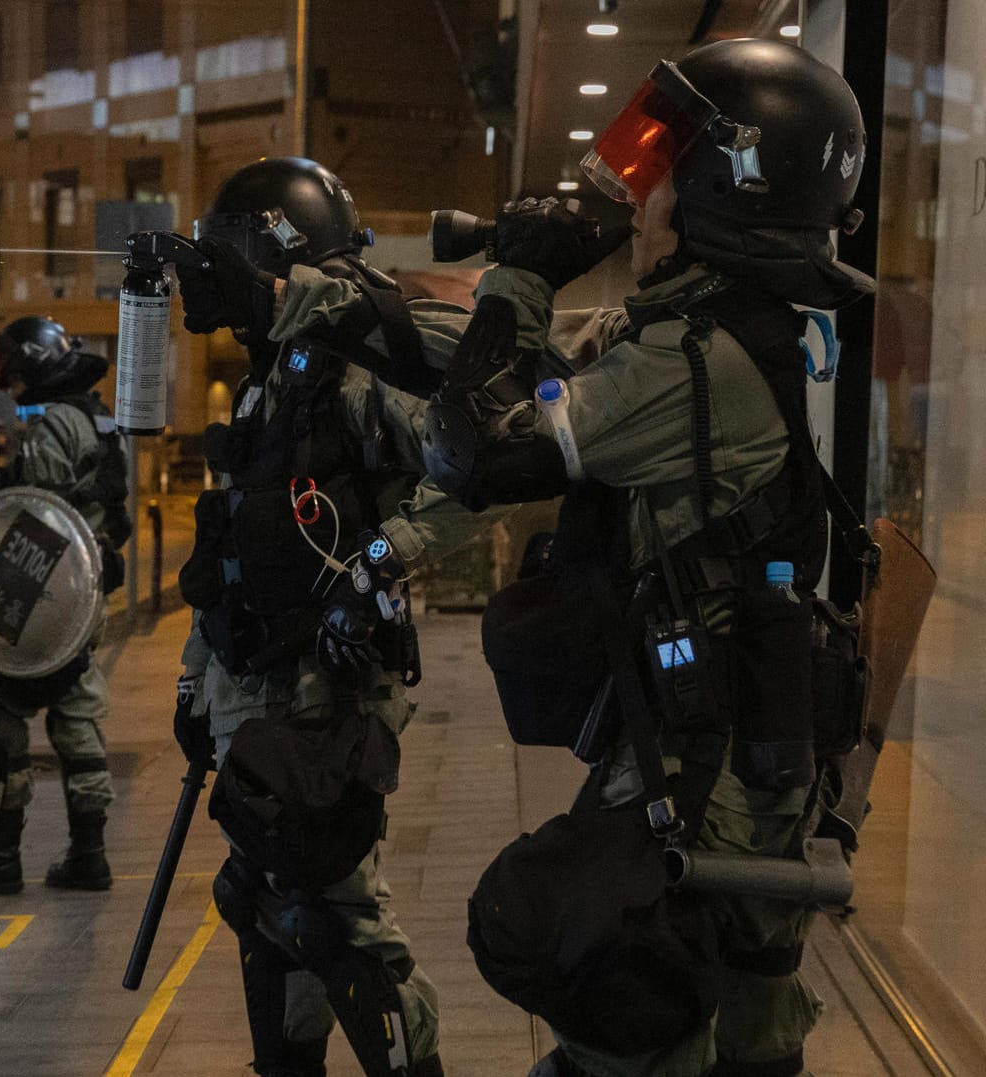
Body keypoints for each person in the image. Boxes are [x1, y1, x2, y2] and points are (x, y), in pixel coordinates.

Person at [422, 40, 873, 1077]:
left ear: (728, 182)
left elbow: (473, 449)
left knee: (622, 1008)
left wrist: (523, 275)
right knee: (744, 1032)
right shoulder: (724, 334)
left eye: (659, 172)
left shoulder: (693, 360)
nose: (637, 200)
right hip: (746, 747)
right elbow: (537, 399)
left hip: (698, 758)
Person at [169, 157, 509, 1077]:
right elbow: (233, 539)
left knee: (337, 911)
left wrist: (381, 556)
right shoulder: (263, 381)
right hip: (253, 674)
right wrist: (197, 674)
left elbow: (472, 479)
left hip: (330, 679)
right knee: (269, 900)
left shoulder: (354, 371)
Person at [0, 316, 133, 895]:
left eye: (13, 373)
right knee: (76, 713)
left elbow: (40, 517)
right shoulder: (96, 417)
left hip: (44, 595)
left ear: (36, 364)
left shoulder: (53, 425)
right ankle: (89, 852)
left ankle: (1, 855)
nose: (8, 385)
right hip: (83, 593)